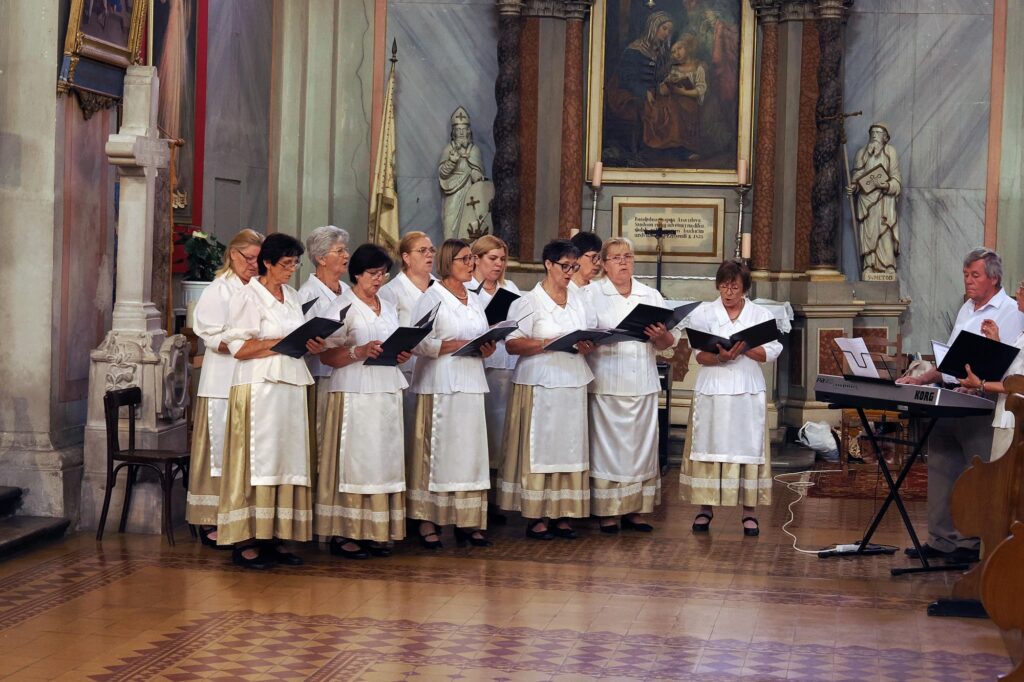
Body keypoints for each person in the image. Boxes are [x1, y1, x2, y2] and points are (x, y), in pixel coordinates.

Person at [897, 249, 1024, 560]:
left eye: (975, 275)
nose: (968, 281)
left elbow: (1009, 367)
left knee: (975, 473)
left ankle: (970, 543)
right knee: (941, 464)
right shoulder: (966, 308)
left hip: (983, 402)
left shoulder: (1012, 311)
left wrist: (978, 383)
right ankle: (941, 539)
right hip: (951, 396)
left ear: (993, 278)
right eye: (966, 275)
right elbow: (951, 359)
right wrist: (922, 379)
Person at [217, 233, 326, 569]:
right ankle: (246, 540)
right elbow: (239, 348)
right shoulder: (247, 296)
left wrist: (309, 344)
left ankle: (275, 535)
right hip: (259, 389)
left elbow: (294, 338)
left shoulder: (291, 296)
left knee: (286, 460)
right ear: (267, 262)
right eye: (285, 264)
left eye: (295, 264)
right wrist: (282, 341)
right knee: (258, 461)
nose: (291, 270)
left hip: (290, 387)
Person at [315, 245, 410, 560]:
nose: (378, 279)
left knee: (384, 459)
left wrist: (400, 352)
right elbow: (327, 355)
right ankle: (346, 531)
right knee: (357, 461)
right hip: (354, 391)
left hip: (386, 388)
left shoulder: (389, 306)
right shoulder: (342, 306)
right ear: (357, 273)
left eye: (383, 273)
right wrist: (359, 351)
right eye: (372, 273)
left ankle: (376, 530)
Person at [501, 240, 596, 540]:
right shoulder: (528, 301)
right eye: (564, 266)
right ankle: (537, 514)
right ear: (548, 264)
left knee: (569, 447)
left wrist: (586, 344)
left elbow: (589, 335)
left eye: (574, 267)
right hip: (540, 382)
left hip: (572, 381)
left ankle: (563, 511)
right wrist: (547, 343)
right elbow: (512, 344)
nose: (570, 272)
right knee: (540, 448)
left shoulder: (580, 300)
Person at [681, 259, 782, 536]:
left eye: (734, 287)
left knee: (747, 448)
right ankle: (705, 508)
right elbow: (699, 355)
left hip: (746, 390)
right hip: (713, 388)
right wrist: (720, 357)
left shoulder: (760, 314)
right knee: (709, 445)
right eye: (724, 286)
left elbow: (772, 352)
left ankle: (749, 512)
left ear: (744, 288)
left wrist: (745, 348)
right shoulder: (704, 313)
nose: (728, 292)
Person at [408, 239, 496, 548]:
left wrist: (486, 347)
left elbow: (480, 335)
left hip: (471, 382)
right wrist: (457, 345)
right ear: (448, 262)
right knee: (437, 453)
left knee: (469, 454)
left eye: (472, 259)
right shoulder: (431, 297)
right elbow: (418, 342)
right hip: (440, 383)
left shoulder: (474, 299)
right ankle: (427, 519)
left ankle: (466, 519)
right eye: (464, 259)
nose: (471, 264)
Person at [586, 238, 679, 533]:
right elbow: (583, 336)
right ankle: (607, 510)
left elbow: (668, 343)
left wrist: (660, 336)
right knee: (608, 450)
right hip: (607, 381)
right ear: (604, 263)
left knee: (640, 449)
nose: (623, 262)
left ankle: (634, 510)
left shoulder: (650, 295)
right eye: (616, 257)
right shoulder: (591, 294)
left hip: (642, 382)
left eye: (627, 256)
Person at [186, 228, 264, 548]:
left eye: (259, 259)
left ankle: (240, 516)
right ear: (233, 254)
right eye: (250, 258)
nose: (255, 265)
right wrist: (243, 344)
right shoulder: (218, 290)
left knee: (244, 453)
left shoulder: (259, 289)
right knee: (219, 452)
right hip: (221, 382)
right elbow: (209, 336)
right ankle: (210, 518)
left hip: (252, 381)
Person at [469, 235, 522, 520]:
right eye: (492, 258)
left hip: (506, 364)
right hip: (478, 366)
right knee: (483, 430)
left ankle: (500, 495)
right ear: (476, 259)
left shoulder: (509, 288)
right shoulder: (467, 289)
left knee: (503, 432)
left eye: (502, 259)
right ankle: (481, 497)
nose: (498, 264)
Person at [379, 231, 436, 467]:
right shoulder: (391, 291)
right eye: (422, 251)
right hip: (407, 368)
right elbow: (386, 329)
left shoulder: (439, 288)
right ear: (406, 257)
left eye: (431, 250)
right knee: (409, 431)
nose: (429, 255)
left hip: (436, 368)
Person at [298, 225, 350, 453]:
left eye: (345, 250)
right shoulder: (307, 294)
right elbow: (302, 337)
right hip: (322, 373)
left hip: (349, 370)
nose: (346, 255)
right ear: (321, 258)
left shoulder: (348, 290)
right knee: (324, 435)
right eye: (339, 251)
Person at [959, 280, 1024, 460]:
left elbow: (1019, 383)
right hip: (1007, 414)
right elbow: (1013, 369)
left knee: (1005, 474)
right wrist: (995, 341)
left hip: (1015, 418)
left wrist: (980, 384)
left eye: (1021, 288)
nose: (1017, 292)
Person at [846, 123, 902, 279]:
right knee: (869, 233)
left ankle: (888, 266)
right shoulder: (861, 153)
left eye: (878, 132)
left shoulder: (890, 152)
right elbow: (857, 177)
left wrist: (886, 185)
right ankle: (869, 266)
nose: (875, 135)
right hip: (866, 202)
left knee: (885, 232)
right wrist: (854, 187)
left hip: (884, 200)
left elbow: (896, 179)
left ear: (885, 137)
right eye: (872, 132)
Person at [646, 35, 705, 160]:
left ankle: (683, 148)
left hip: (690, 102)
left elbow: (700, 90)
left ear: (688, 48)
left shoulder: (698, 67)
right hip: (675, 99)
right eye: (673, 51)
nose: (676, 53)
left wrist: (682, 92)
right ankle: (665, 145)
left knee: (674, 109)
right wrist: (663, 86)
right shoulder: (674, 68)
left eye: (679, 49)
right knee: (658, 107)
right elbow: (666, 84)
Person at [438, 107, 487, 239]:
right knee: (449, 227)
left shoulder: (474, 150)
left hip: (471, 194)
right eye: (458, 129)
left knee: (470, 227)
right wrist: (452, 161)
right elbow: (442, 174)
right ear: (453, 132)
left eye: (463, 129)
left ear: (468, 131)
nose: (461, 133)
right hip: (453, 193)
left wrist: (476, 174)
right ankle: (449, 251)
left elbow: (478, 172)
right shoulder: (449, 149)